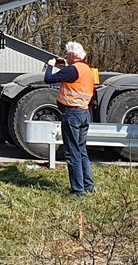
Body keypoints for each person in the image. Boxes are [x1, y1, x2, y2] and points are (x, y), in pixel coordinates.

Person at [43, 41, 100, 196]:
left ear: (73, 55)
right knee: (82, 151)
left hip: (72, 114)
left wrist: (50, 65)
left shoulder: (72, 70)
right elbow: (74, 78)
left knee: (72, 153)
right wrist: (65, 64)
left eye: (68, 54)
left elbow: (48, 79)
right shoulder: (86, 69)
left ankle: (78, 190)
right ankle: (89, 186)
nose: (67, 57)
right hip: (84, 113)